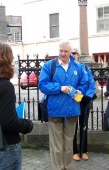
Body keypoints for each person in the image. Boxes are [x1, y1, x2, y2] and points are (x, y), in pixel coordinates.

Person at [0, 41, 33, 170]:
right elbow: (9, 122)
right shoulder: (4, 86)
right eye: (11, 58)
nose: (13, 61)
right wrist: (27, 124)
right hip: (5, 146)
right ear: (5, 60)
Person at [38, 40, 87, 170]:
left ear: (71, 52)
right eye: (61, 51)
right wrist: (60, 88)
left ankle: (68, 167)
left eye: (66, 51)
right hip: (55, 111)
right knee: (56, 145)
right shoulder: (49, 66)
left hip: (72, 110)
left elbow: (84, 83)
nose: (63, 54)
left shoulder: (77, 66)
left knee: (69, 143)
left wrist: (80, 91)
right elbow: (42, 85)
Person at [71, 48, 96, 161]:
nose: (73, 55)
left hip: (85, 101)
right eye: (71, 53)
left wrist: (87, 97)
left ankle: (84, 150)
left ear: (78, 56)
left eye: (75, 53)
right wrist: (78, 97)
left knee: (84, 127)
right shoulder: (69, 69)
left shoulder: (86, 68)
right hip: (74, 101)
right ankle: (74, 151)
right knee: (73, 127)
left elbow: (91, 85)